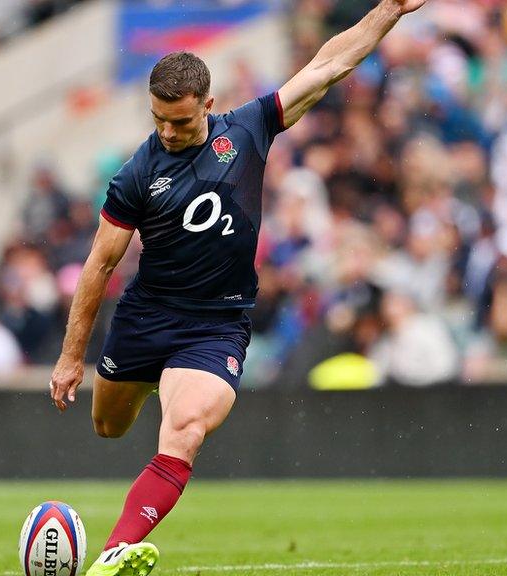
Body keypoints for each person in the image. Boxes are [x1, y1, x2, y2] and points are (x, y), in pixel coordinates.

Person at [48, 1, 429, 573]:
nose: (169, 132)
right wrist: (70, 358)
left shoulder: (248, 129)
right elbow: (99, 266)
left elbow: (327, 67)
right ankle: (157, 382)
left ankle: (114, 555)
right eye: (159, 120)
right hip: (146, 318)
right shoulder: (135, 175)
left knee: (184, 430)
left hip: (215, 324)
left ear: (209, 103)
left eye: (182, 121)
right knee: (109, 426)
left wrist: (388, 11)